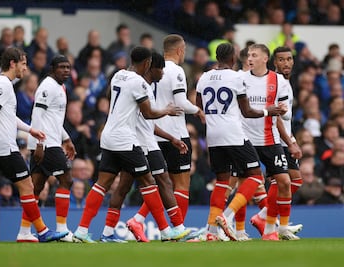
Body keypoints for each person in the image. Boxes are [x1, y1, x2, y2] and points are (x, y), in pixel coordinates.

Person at [72, 46, 188, 243]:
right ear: (146, 63)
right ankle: (166, 230)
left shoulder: (118, 75)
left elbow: (111, 97)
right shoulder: (139, 83)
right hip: (125, 139)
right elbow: (148, 113)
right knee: (149, 182)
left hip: (108, 135)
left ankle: (84, 231)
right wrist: (166, 110)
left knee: (103, 184)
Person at [0, 47, 68, 244]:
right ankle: (42, 231)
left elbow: (7, 116)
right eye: (23, 64)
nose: (25, 69)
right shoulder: (3, 85)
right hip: (4, 146)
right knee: (27, 186)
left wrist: (30, 130)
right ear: (13, 63)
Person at [195, 43, 286, 241]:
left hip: (213, 136)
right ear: (233, 57)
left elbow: (199, 106)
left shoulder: (205, 76)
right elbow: (247, 111)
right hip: (234, 134)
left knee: (221, 182)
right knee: (255, 176)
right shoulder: (236, 77)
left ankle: (211, 232)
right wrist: (267, 111)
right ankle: (226, 216)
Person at [15, 55, 77, 243]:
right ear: (52, 69)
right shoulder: (47, 86)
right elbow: (37, 114)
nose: (66, 70)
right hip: (47, 144)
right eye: (61, 67)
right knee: (66, 180)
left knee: (36, 188)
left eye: (68, 67)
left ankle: (24, 232)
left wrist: (67, 139)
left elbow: (54, 119)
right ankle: (63, 230)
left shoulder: (60, 87)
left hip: (50, 141)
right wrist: (39, 144)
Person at [241, 44, 298, 241]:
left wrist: (290, 139)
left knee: (287, 181)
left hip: (272, 139)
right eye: (281, 60)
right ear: (274, 61)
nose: (286, 63)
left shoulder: (280, 82)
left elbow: (286, 115)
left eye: (289, 59)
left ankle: (271, 226)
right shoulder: (241, 79)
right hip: (247, 140)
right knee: (240, 183)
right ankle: (224, 225)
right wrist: (290, 141)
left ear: (264, 58)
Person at [154, 34, 205, 222]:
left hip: (155, 134)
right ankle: (178, 226)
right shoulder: (176, 71)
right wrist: (198, 110)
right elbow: (181, 102)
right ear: (180, 50)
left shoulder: (153, 69)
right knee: (181, 184)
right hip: (175, 134)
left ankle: (140, 221)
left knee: (159, 184)